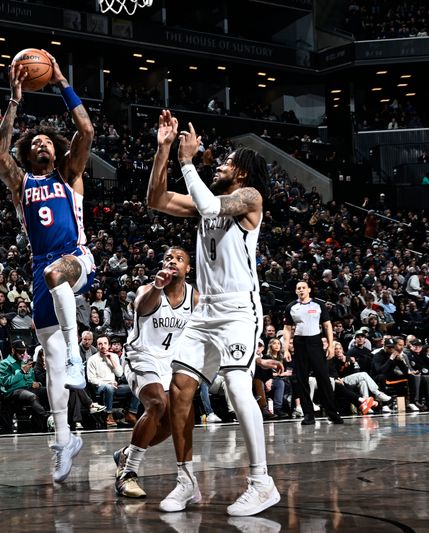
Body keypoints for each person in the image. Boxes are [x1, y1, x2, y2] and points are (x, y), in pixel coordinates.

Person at [146, 110, 283, 516]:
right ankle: (186, 480)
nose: (219, 164)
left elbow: (208, 207)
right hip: (205, 312)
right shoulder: (212, 201)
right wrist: (164, 150)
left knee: (239, 386)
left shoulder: (250, 198)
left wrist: (187, 162)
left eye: (226, 162)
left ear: (241, 173)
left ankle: (262, 482)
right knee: (181, 390)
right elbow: (156, 199)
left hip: (239, 309)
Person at [0, 50, 94, 483]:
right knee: (50, 364)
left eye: (47, 141)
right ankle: (63, 439)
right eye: (34, 142)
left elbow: (86, 129)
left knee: (58, 279)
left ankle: (77, 355)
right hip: (39, 269)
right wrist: (15, 100)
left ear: (57, 150)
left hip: (76, 257)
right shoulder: (22, 183)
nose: (41, 143)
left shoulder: (69, 175)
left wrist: (60, 82)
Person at [113, 246, 197, 498]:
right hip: (141, 356)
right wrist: (158, 286)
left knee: (175, 419)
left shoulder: (194, 297)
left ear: (188, 268)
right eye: (168, 258)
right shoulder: (148, 290)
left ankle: (127, 453)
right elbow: (140, 307)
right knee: (157, 404)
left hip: (171, 363)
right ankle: (128, 473)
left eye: (179, 259)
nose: (173, 261)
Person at [283, 281, 344, 426]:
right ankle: (308, 415)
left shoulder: (318, 305)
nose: (301, 290)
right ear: (296, 291)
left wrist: (330, 345)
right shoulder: (291, 307)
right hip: (299, 343)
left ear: (309, 289)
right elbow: (287, 329)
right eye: (298, 288)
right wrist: (286, 348)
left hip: (315, 342)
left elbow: (327, 325)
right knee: (302, 380)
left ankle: (332, 413)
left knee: (323, 378)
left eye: (304, 287)